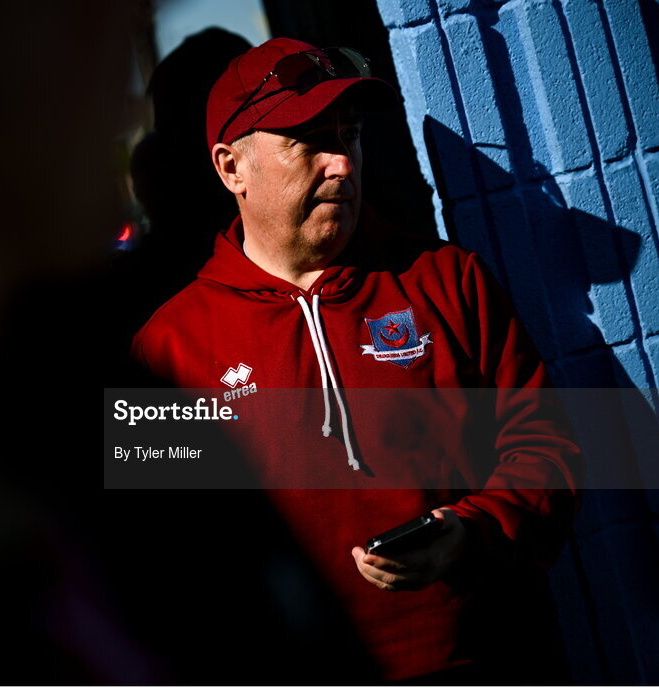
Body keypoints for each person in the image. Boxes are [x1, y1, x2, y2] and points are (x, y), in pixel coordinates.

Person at [131, 37, 581, 683]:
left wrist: (473, 531)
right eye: (310, 140)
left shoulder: (446, 280)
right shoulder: (164, 347)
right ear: (233, 168)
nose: (343, 162)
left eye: (350, 135)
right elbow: (147, 554)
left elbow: (549, 446)